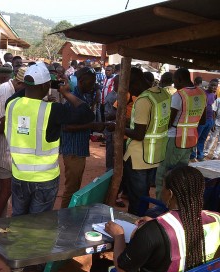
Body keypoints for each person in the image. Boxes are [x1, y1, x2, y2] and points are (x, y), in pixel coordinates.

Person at [83, 166, 220, 272]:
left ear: (169, 194)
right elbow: (184, 233)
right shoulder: (216, 220)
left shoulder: (155, 231)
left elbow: (123, 269)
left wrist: (119, 235)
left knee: (101, 269)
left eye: (162, 187)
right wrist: (156, 223)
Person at [5, 62, 94, 216]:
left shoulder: (11, 104)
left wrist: (35, 86)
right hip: (45, 179)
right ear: (45, 85)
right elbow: (87, 113)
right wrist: (66, 93)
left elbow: (21, 94)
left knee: (18, 220)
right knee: (38, 225)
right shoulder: (52, 110)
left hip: (19, 176)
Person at [60, 66, 112, 209]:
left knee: (74, 187)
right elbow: (66, 127)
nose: (93, 85)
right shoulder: (72, 99)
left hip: (78, 148)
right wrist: (92, 126)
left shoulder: (81, 96)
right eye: (91, 82)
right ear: (81, 81)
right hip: (73, 149)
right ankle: (64, 217)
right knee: (71, 189)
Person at [122, 67, 171, 216]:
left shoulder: (143, 100)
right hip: (155, 154)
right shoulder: (163, 94)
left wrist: (118, 127)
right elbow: (153, 123)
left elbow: (138, 133)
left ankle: (136, 227)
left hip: (138, 157)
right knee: (143, 193)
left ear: (133, 83)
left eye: (128, 88)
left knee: (137, 197)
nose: (129, 93)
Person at [155, 68, 207, 200]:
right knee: (180, 176)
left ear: (179, 79)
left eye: (174, 82)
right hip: (190, 140)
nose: (174, 85)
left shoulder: (179, 95)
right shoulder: (201, 93)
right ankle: (176, 205)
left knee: (163, 174)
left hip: (175, 139)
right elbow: (203, 120)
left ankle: (161, 206)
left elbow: (169, 121)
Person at [0, 68, 26, 218]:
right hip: (2, 150)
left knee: (6, 189)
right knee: (6, 189)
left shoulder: (11, 90)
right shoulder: (5, 92)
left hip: (6, 148)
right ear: (19, 82)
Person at [191, 79, 218, 161]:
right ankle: (192, 155)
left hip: (210, 120)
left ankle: (200, 155)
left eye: (215, 86)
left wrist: (213, 122)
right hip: (202, 120)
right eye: (212, 85)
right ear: (209, 84)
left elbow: (214, 110)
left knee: (203, 139)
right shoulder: (203, 94)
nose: (213, 87)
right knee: (196, 138)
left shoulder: (214, 95)